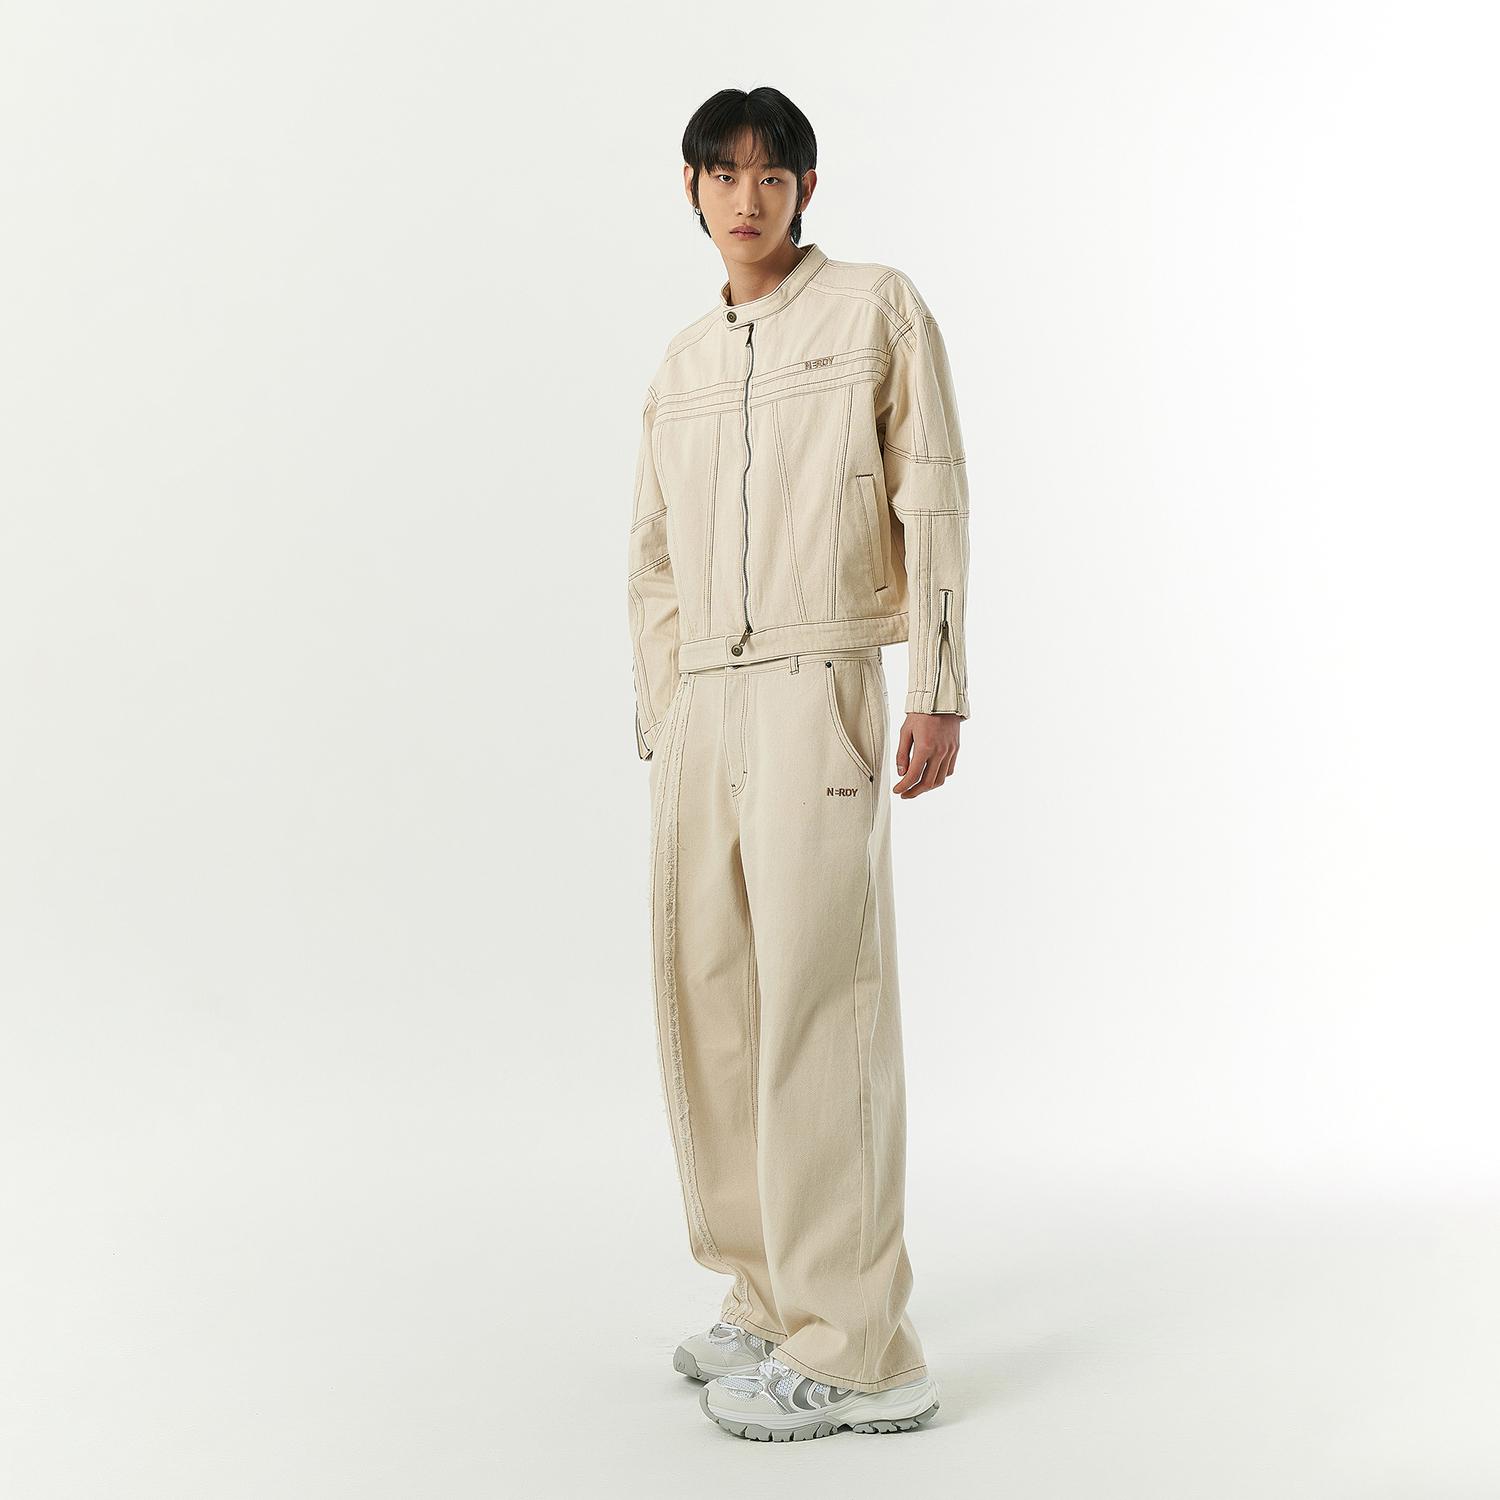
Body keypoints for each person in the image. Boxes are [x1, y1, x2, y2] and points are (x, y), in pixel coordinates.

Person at [626, 85, 970, 1442]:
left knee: (823, 1008)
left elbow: (933, 491)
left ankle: (861, 1346)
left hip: (820, 685)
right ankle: (769, 1296)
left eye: (772, 174)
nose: (748, 197)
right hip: (704, 708)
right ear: (693, 191)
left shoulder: (876, 310)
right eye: (723, 174)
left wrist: (936, 683)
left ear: (807, 188)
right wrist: (666, 713)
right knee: (713, 1000)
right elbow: (652, 556)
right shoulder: (681, 366)